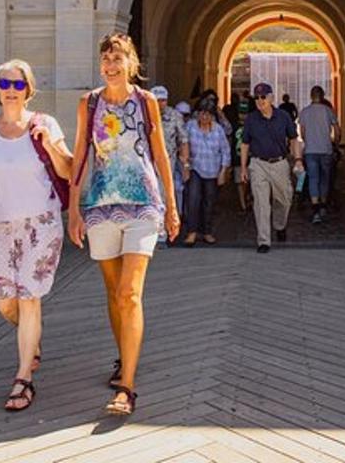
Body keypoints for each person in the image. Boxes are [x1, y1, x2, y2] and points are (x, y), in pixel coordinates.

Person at [69, 33, 180, 415]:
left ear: (131, 63)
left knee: (130, 293)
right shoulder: (90, 103)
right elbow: (81, 154)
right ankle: (124, 357)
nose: (111, 65)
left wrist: (171, 205)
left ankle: (127, 387)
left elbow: (160, 154)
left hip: (143, 203)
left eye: (118, 58)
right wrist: (73, 207)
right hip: (100, 204)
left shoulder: (146, 102)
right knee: (114, 294)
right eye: (106, 59)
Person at [0, 59, 72, 411]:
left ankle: (23, 378)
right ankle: (32, 339)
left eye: (18, 84)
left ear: (29, 90)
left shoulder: (45, 124)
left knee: (29, 298)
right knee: (5, 301)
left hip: (41, 224)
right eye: (5, 84)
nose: (12, 90)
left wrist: (52, 145)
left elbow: (70, 169)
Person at [240, 82, 302, 253]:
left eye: (263, 97)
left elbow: (293, 138)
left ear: (271, 98)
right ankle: (264, 241)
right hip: (258, 164)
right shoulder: (251, 119)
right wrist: (244, 168)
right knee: (261, 203)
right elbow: (245, 143)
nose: (260, 101)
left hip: (279, 164)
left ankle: (280, 225)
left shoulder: (283, 117)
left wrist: (297, 159)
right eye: (257, 98)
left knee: (284, 199)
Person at [181, 100, 232, 246]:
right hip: (195, 167)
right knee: (193, 198)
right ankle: (192, 232)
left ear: (213, 116)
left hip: (212, 170)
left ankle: (207, 232)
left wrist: (223, 171)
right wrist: (185, 165)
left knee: (209, 201)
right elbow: (183, 143)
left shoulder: (218, 130)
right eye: (202, 113)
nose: (204, 117)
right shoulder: (190, 126)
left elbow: (225, 151)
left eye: (208, 114)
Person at [298, 85, 340, 225]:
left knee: (313, 178)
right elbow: (336, 129)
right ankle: (323, 205)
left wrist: (306, 141)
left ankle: (315, 209)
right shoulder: (328, 111)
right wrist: (336, 144)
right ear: (322, 96)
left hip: (311, 150)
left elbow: (302, 132)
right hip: (326, 149)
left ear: (311, 96)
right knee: (325, 178)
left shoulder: (305, 112)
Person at [152, 85, 190, 226]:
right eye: (156, 100)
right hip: (146, 163)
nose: (160, 103)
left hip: (168, 163)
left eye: (163, 100)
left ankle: (162, 233)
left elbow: (184, 140)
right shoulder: (142, 114)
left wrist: (186, 166)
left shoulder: (174, 116)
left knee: (164, 195)